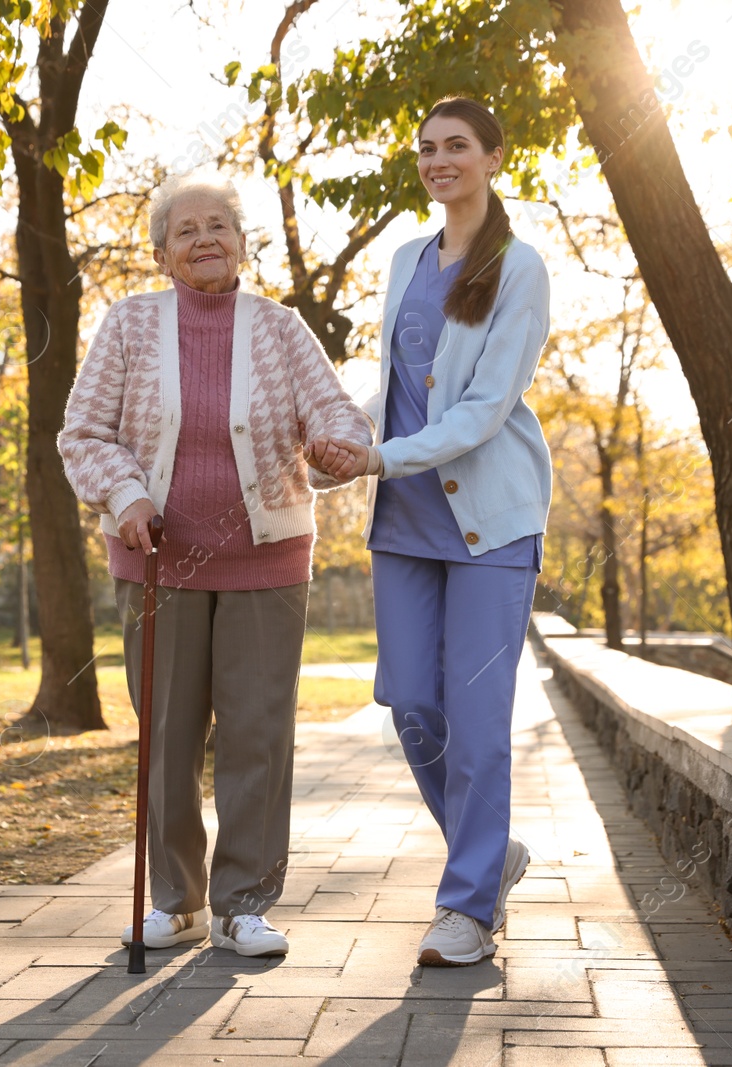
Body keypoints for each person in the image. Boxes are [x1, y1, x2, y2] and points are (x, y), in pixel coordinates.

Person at [59, 171, 373, 958]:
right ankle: (178, 900)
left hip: (267, 562)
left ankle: (245, 903)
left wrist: (337, 445)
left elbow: (333, 411)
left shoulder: (279, 327)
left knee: (257, 735)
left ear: (241, 243)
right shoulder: (129, 325)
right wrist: (126, 496)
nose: (205, 240)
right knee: (165, 735)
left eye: (219, 227)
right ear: (162, 252)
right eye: (187, 230)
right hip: (157, 560)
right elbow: (83, 433)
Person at [306, 97, 552, 967]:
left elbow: (485, 408)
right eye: (427, 149)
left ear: (492, 156)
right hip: (404, 520)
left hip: (489, 523)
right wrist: (350, 448)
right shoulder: (408, 258)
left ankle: (468, 909)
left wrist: (383, 458)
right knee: (412, 706)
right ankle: (492, 858)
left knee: (479, 718)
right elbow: (403, 388)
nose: (439, 160)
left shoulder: (519, 267)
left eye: (456, 146)